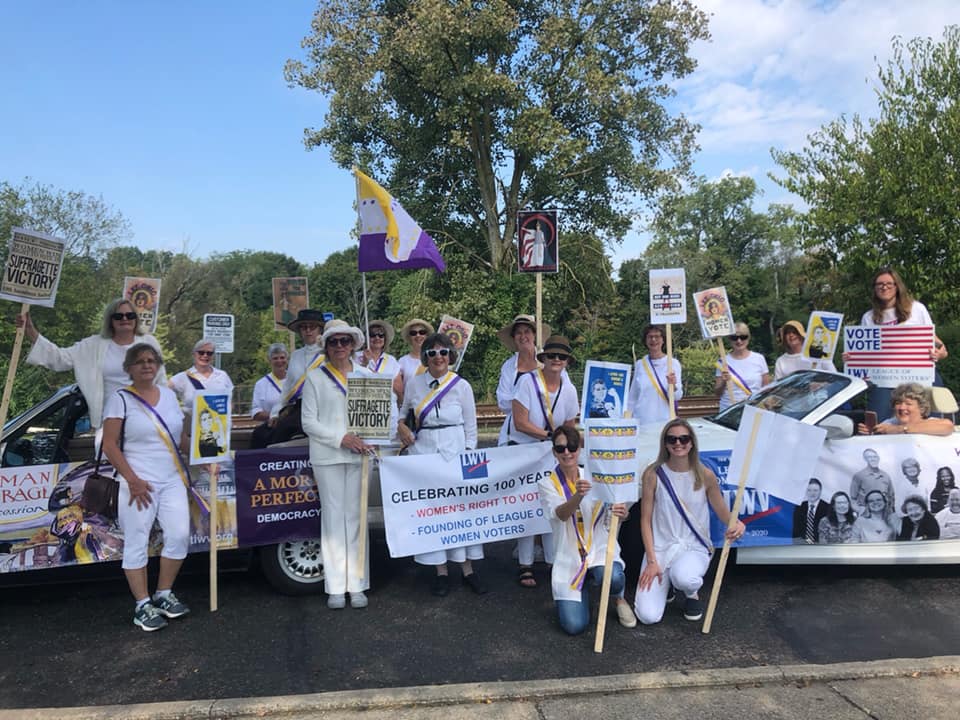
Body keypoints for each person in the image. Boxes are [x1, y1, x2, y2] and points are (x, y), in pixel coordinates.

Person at [301, 320, 395, 610]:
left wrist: (376, 437)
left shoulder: (368, 375)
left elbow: (384, 417)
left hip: (359, 456)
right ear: (326, 346)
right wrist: (341, 438)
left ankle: (357, 584)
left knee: (355, 518)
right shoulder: (315, 377)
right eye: (333, 342)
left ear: (353, 344)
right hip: (328, 455)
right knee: (332, 520)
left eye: (344, 341)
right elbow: (309, 422)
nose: (339, 346)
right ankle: (334, 586)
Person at [101, 344, 191, 632]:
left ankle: (163, 594)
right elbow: (110, 444)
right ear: (129, 368)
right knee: (137, 541)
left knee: (179, 534)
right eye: (139, 361)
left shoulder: (168, 395)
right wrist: (132, 479)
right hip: (137, 481)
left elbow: (180, 438)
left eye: (151, 361)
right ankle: (142, 605)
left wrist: (211, 454)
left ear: (158, 365)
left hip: (172, 478)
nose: (146, 365)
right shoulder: (120, 399)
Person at [397, 333, 485, 597]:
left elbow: (471, 426)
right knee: (434, 511)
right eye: (432, 353)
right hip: (424, 451)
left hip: (454, 449)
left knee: (460, 510)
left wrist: (469, 453)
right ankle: (441, 572)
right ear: (425, 357)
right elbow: (402, 416)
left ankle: (468, 570)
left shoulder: (461, 386)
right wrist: (401, 427)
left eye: (443, 352)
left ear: (450, 356)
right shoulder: (414, 384)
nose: (438, 357)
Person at [634, 419, 745, 624]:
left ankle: (690, 592)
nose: (678, 443)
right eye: (672, 439)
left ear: (692, 442)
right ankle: (667, 585)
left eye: (683, 438)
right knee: (647, 616)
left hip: (693, 547)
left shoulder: (705, 475)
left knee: (684, 577)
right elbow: (645, 520)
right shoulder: (652, 474)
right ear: (665, 444)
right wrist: (651, 560)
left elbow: (722, 511)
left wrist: (737, 523)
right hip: (661, 548)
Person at [538, 426, 636, 634]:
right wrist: (578, 496)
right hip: (570, 557)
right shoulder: (547, 484)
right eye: (561, 448)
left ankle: (617, 597)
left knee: (614, 577)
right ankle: (585, 590)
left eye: (572, 446)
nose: (567, 452)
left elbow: (612, 517)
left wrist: (622, 513)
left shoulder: (595, 476)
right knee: (574, 627)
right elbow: (561, 514)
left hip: (599, 550)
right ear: (554, 452)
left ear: (579, 449)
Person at [16, 298, 166, 431]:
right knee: (112, 462)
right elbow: (60, 358)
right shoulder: (93, 345)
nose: (125, 319)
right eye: (118, 316)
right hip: (109, 421)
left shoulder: (149, 342)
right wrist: (31, 331)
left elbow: (161, 382)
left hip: (146, 419)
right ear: (110, 320)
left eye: (130, 315)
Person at [509, 335, 580, 587]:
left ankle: (554, 560)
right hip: (528, 451)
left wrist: (566, 446)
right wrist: (549, 436)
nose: (556, 360)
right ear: (544, 359)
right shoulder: (528, 382)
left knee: (554, 504)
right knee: (527, 505)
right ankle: (525, 563)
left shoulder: (569, 389)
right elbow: (520, 421)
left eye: (561, 357)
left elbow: (570, 426)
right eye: (552, 356)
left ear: (567, 362)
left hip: (553, 453)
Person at [858, 268, 948, 416]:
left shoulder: (917, 309)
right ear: (874, 288)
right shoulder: (868, 317)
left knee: (929, 422)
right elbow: (864, 353)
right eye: (879, 284)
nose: (884, 287)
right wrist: (852, 358)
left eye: (889, 283)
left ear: (897, 286)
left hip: (920, 376)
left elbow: (937, 343)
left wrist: (940, 353)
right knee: (880, 422)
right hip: (884, 380)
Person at [252, 309, 326, 447]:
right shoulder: (296, 355)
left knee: (287, 431)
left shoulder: (329, 353)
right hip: (299, 406)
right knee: (261, 434)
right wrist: (275, 413)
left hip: (322, 407)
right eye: (304, 327)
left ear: (320, 329)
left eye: (312, 327)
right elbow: (288, 389)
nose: (308, 331)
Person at [495, 314, 552, 446]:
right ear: (514, 338)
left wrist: (520, 402)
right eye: (518, 333)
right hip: (514, 438)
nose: (523, 336)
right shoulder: (509, 366)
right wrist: (530, 403)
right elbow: (503, 402)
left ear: (534, 335)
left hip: (545, 435)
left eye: (527, 332)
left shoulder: (549, 361)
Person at [626, 324, 682, 424]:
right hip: (641, 421)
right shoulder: (640, 364)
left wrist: (673, 385)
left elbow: (677, 396)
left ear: (663, 339)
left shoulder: (673, 363)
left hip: (665, 421)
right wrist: (627, 419)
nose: (653, 340)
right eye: (650, 337)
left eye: (657, 336)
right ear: (645, 340)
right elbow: (632, 397)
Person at [856, 382, 953, 437]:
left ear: (922, 408)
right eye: (898, 403)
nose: (902, 408)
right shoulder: (889, 423)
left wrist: (898, 429)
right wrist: (868, 434)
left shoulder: (931, 423)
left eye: (908, 404)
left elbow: (948, 426)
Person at [715, 322, 770, 412]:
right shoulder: (723, 361)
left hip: (753, 408)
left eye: (743, 337)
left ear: (748, 338)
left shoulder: (759, 359)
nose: (739, 341)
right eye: (734, 338)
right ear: (730, 339)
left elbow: (766, 388)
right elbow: (717, 393)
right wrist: (724, 382)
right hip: (729, 409)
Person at [168, 339, 234, 413]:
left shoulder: (222, 376)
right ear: (194, 354)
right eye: (201, 352)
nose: (205, 356)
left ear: (213, 356)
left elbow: (229, 402)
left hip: (218, 422)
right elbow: (163, 391)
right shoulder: (183, 377)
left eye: (209, 353)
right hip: (191, 422)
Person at [395, 319, 434, 405]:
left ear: (427, 335)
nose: (418, 335)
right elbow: (398, 390)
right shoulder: (402, 362)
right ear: (409, 337)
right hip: (411, 408)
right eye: (413, 333)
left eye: (422, 332)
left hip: (432, 406)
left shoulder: (436, 359)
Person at [849, 448, 895, 516]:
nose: (873, 459)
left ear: (878, 458)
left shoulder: (886, 476)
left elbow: (891, 497)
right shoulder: (859, 475)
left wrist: (891, 513)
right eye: (869, 457)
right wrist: (861, 512)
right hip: (867, 515)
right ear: (865, 459)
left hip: (884, 514)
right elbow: (853, 499)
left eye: (875, 457)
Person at [249, 343, 288, 422]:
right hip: (272, 428)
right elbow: (255, 412)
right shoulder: (261, 384)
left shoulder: (295, 380)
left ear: (287, 359)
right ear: (269, 360)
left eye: (282, 357)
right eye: (275, 358)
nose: (279, 361)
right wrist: (274, 415)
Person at [792, 478, 830, 543]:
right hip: (802, 544)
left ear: (820, 491)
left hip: (820, 545)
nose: (812, 493)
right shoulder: (799, 507)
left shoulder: (828, 508)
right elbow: (796, 531)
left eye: (815, 490)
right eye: (809, 490)